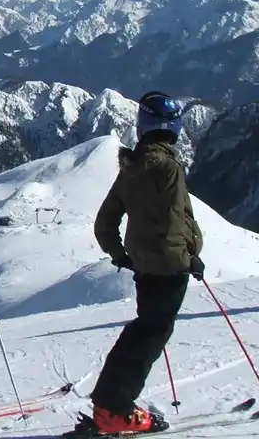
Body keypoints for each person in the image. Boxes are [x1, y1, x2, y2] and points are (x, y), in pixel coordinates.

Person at [80, 91, 205, 436]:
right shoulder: (169, 168)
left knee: (142, 330)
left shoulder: (130, 168)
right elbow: (178, 220)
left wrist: (120, 254)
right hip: (170, 267)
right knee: (150, 335)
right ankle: (115, 410)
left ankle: (109, 401)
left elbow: (105, 222)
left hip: (143, 266)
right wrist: (191, 257)